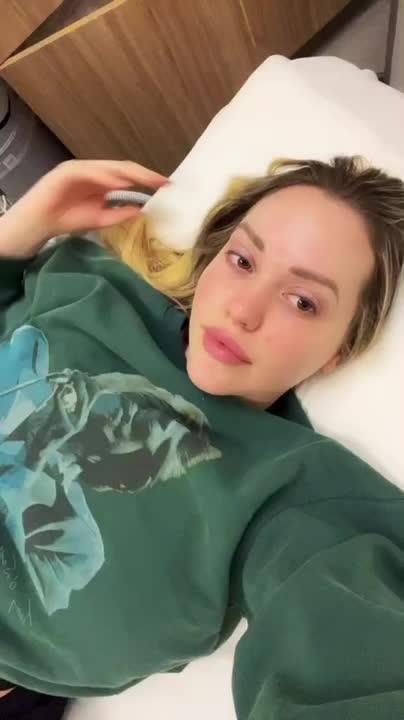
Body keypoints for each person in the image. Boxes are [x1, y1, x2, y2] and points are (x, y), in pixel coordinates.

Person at [0, 156, 404, 719]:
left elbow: (350, 654)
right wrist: (20, 231)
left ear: (340, 349)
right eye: (243, 260)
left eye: (303, 301)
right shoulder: (86, 284)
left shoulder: (293, 497)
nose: (243, 310)